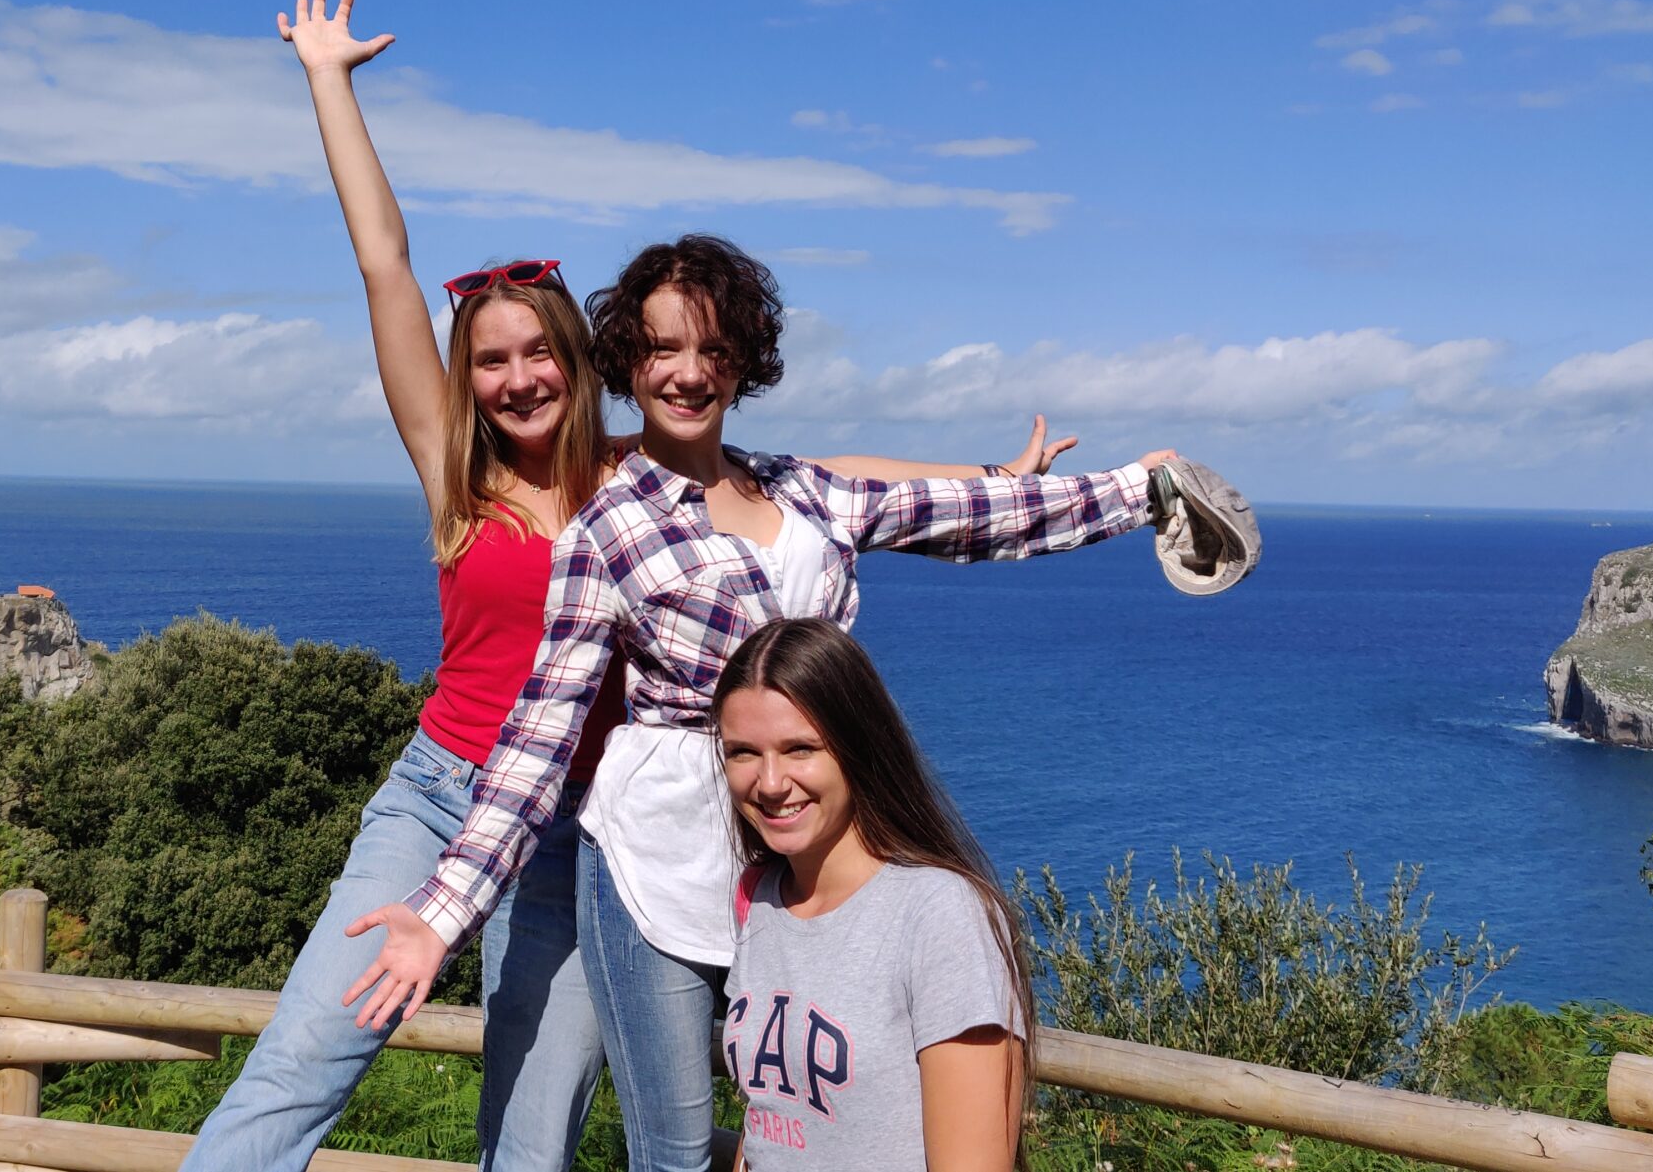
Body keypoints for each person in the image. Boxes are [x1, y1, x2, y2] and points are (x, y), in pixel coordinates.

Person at [184, 0, 1076, 1172]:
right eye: (489, 362)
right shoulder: (455, 475)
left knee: (533, 1130)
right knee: (309, 1054)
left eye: (536, 353)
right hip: (445, 793)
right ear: (467, 380)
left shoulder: (641, 480)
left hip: (582, 831)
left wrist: (991, 482)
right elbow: (383, 265)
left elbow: (831, 476)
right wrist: (327, 82)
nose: (516, 380)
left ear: (579, 360)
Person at [345, 231, 1178, 1171]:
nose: (689, 372)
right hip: (652, 869)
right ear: (628, 361)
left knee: (807, 1117)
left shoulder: (808, 493)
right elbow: (538, 742)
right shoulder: (606, 531)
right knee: (676, 1154)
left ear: (743, 360)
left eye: (713, 348)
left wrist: (1143, 491)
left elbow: (979, 517)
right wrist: (443, 913)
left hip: (791, 860)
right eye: (663, 348)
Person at [717, 617, 1030, 1171]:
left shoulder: (939, 915)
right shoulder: (762, 898)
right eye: (743, 752)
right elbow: (770, 1121)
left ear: (858, 746)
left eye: (800, 749)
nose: (770, 782)